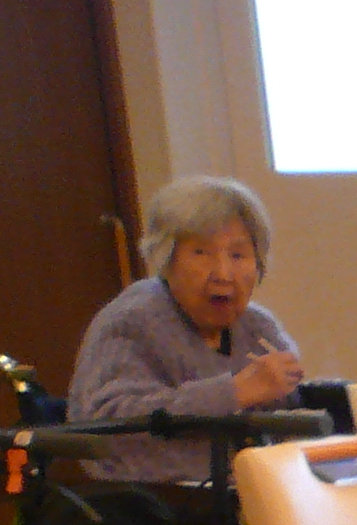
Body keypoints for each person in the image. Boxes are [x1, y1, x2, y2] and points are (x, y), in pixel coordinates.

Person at [67, 176, 302, 484]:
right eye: (201, 253)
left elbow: (289, 418)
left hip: (249, 492)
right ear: (166, 259)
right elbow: (109, 427)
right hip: (155, 500)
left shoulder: (259, 327)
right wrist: (231, 393)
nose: (223, 274)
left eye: (238, 255)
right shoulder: (132, 320)